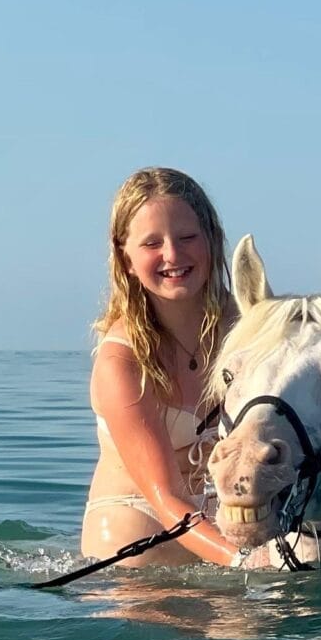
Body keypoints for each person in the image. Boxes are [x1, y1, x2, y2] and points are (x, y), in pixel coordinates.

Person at [81, 167, 239, 567]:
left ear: (213, 239)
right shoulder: (121, 362)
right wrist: (244, 561)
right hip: (140, 527)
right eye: (152, 243)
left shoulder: (250, 331)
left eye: (187, 238)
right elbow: (165, 496)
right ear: (126, 259)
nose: (172, 254)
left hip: (223, 520)